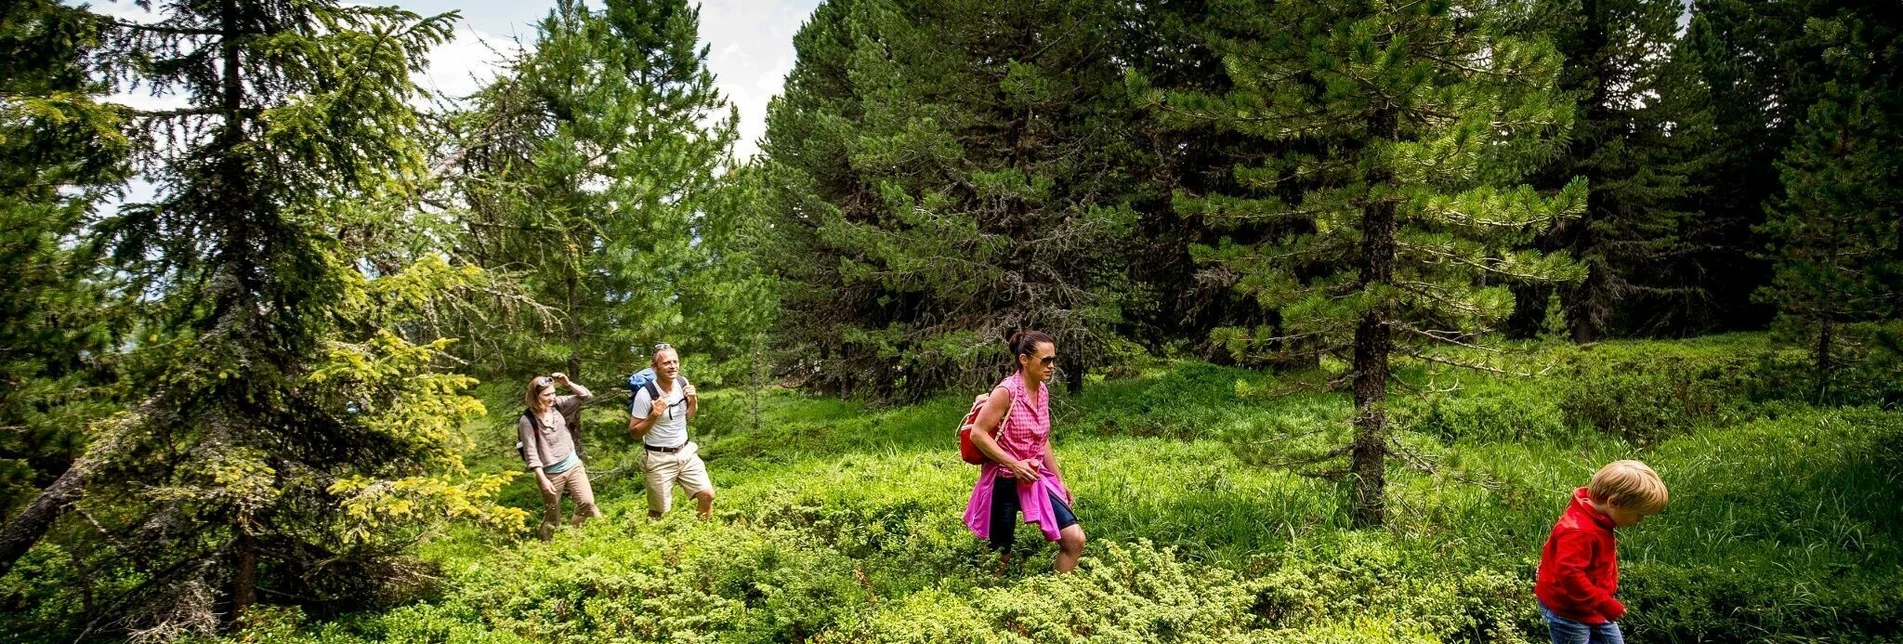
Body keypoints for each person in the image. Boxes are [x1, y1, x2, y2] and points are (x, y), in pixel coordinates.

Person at [962, 330, 1085, 573]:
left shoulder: (1042, 391)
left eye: (1053, 360)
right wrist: (1014, 464)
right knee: (1000, 558)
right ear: (1024, 360)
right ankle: (994, 602)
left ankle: (1059, 600)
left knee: (1074, 540)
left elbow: (1042, 439)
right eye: (1045, 360)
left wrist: (1059, 480)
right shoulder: (1006, 392)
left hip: (1034, 480)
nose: (1051, 366)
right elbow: (978, 433)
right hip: (1003, 483)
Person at [1535, 460, 1670, 644]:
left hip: (1593, 604)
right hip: (1569, 612)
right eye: (1639, 514)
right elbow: (1570, 574)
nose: (1640, 520)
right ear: (1614, 503)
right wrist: (1603, 602)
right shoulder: (1579, 530)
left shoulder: (1596, 519)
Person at [628, 343, 715, 520]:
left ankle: (702, 536)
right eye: (667, 363)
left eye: (675, 361)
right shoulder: (645, 394)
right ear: (655, 367)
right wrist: (654, 415)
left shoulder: (683, 383)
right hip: (659, 458)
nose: (672, 366)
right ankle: (651, 544)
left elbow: (689, 416)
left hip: (686, 452)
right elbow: (634, 433)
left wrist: (694, 400)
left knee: (707, 495)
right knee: (657, 513)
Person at [518, 373, 598, 539]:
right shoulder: (527, 421)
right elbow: (531, 452)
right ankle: (548, 549)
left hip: (573, 464)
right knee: (552, 517)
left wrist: (568, 383)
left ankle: (575, 536)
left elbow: (586, 396)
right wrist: (542, 479)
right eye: (547, 395)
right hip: (551, 473)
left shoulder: (558, 405)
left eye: (554, 392)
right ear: (535, 396)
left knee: (587, 503)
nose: (552, 397)